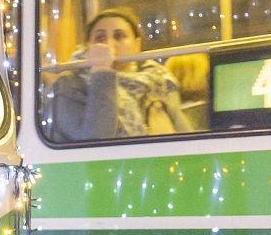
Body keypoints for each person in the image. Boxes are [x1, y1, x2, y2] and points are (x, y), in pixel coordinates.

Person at [47, 8, 191, 142]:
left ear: (136, 44)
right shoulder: (69, 85)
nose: (109, 43)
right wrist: (102, 71)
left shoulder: (159, 82)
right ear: (88, 46)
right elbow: (96, 140)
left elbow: (184, 135)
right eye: (100, 38)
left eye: (119, 36)